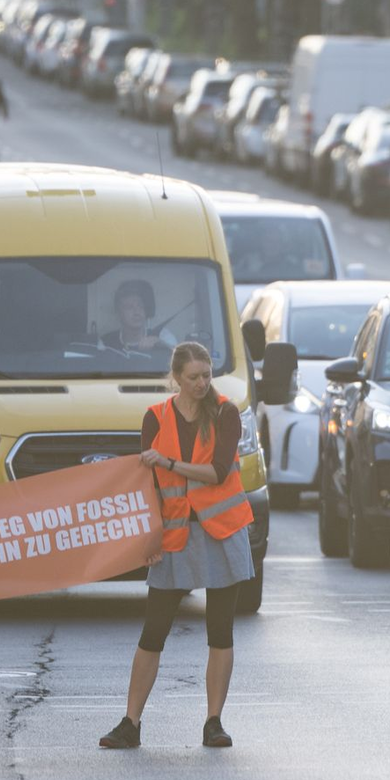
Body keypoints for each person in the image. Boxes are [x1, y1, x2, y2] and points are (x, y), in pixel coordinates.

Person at [100, 342, 255, 750]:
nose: (203, 383)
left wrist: (168, 463)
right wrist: (148, 539)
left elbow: (219, 472)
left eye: (207, 375)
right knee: (153, 631)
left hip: (222, 532)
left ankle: (214, 722)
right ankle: (130, 723)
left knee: (220, 632)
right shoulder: (155, 417)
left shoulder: (226, 413)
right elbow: (147, 486)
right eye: (194, 377)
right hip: (174, 534)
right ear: (176, 379)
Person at [100, 280, 175, 354]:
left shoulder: (162, 335)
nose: (136, 312)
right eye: (129, 307)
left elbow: (180, 359)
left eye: (141, 306)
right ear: (119, 313)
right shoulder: (105, 343)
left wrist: (162, 345)